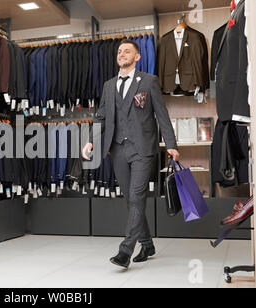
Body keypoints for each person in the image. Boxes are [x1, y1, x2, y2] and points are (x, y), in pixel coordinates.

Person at [82, 40, 179, 269]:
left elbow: (162, 115)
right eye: (119, 52)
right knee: (130, 199)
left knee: (136, 197)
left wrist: (172, 144)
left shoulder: (148, 81)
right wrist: (91, 141)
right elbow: (101, 117)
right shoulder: (108, 85)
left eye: (127, 51)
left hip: (143, 149)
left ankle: (125, 251)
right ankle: (147, 244)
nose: (121, 54)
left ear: (137, 57)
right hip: (117, 150)